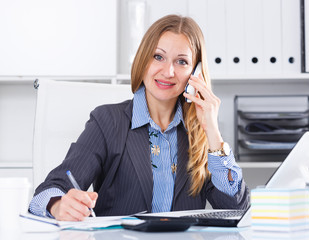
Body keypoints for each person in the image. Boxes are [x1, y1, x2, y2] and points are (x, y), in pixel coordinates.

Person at [29, 14, 249, 221]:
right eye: (158, 57)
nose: (168, 71)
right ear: (144, 60)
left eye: (181, 61)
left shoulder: (202, 134)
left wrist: (212, 131)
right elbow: (47, 192)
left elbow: (236, 209)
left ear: (196, 72)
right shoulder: (107, 121)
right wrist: (57, 205)